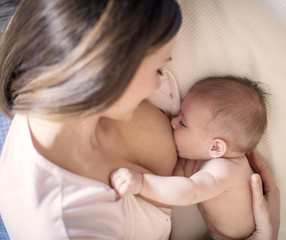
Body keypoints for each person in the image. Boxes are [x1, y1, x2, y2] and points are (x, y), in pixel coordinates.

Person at [0, 0, 279, 239]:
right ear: (109, 76)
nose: (160, 82)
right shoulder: (72, 225)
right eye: (159, 69)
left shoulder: (74, 72)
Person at [111, 76, 269, 240]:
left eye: (183, 123)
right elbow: (176, 176)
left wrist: (142, 183)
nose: (173, 122)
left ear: (215, 147)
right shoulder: (206, 159)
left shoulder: (225, 170)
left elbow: (189, 192)